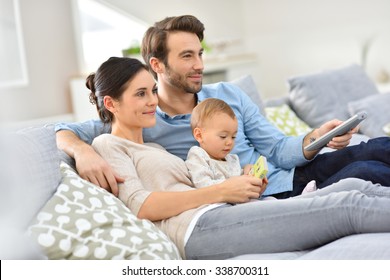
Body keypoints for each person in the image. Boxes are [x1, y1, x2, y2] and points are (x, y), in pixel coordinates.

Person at [55, 15, 390, 199]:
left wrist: (315, 137)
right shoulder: (141, 117)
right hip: (267, 197)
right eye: (187, 56)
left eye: (200, 53)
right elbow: (65, 130)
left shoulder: (228, 93)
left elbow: (276, 148)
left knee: (377, 147)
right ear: (157, 65)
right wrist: (83, 153)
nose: (199, 64)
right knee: (368, 173)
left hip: (293, 173)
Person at [88, 56, 390, 260]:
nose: (153, 100)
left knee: (355, 185)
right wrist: (222, 190)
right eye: (140, 94)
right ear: (111, 103)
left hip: (222, 211)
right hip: (199, 228)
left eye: (152, 91)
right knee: (348, 206)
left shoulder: (153, 146)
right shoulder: (106, 144)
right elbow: (141, 205)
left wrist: (237, 184)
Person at [186, 97, 316, 196]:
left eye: (233, 137)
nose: (229, 142)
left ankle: (304, 197)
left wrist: (251, 177)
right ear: (199, 135)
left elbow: (240, 181)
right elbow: (203, 187)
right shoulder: (198, 156)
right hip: (224, 207)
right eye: (223, 137)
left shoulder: (232, 159)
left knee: (269, 200)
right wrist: (236, 185)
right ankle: (303, 198)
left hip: (246, 202)